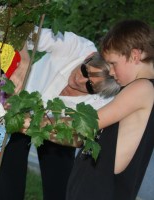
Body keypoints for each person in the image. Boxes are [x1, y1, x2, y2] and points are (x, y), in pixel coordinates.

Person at [0, 27, 120, 200]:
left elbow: (78, 139)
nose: (80, 80)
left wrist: (36, 126)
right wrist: (24, 61)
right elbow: (21, 32)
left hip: (56, 129)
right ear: (89, 57)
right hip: (17, 108)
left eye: (90, 86)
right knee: (9, 170)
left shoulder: (105, 100)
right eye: (85, 71)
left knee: (59, 185)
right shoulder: (74, 46)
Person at [66, 19, 154, 200]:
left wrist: (35, 120)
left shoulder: (143, 88)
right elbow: (82, 138)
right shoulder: (135, 90)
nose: (111, 73)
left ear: (135, 55)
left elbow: (88, 123)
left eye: (113, 64)